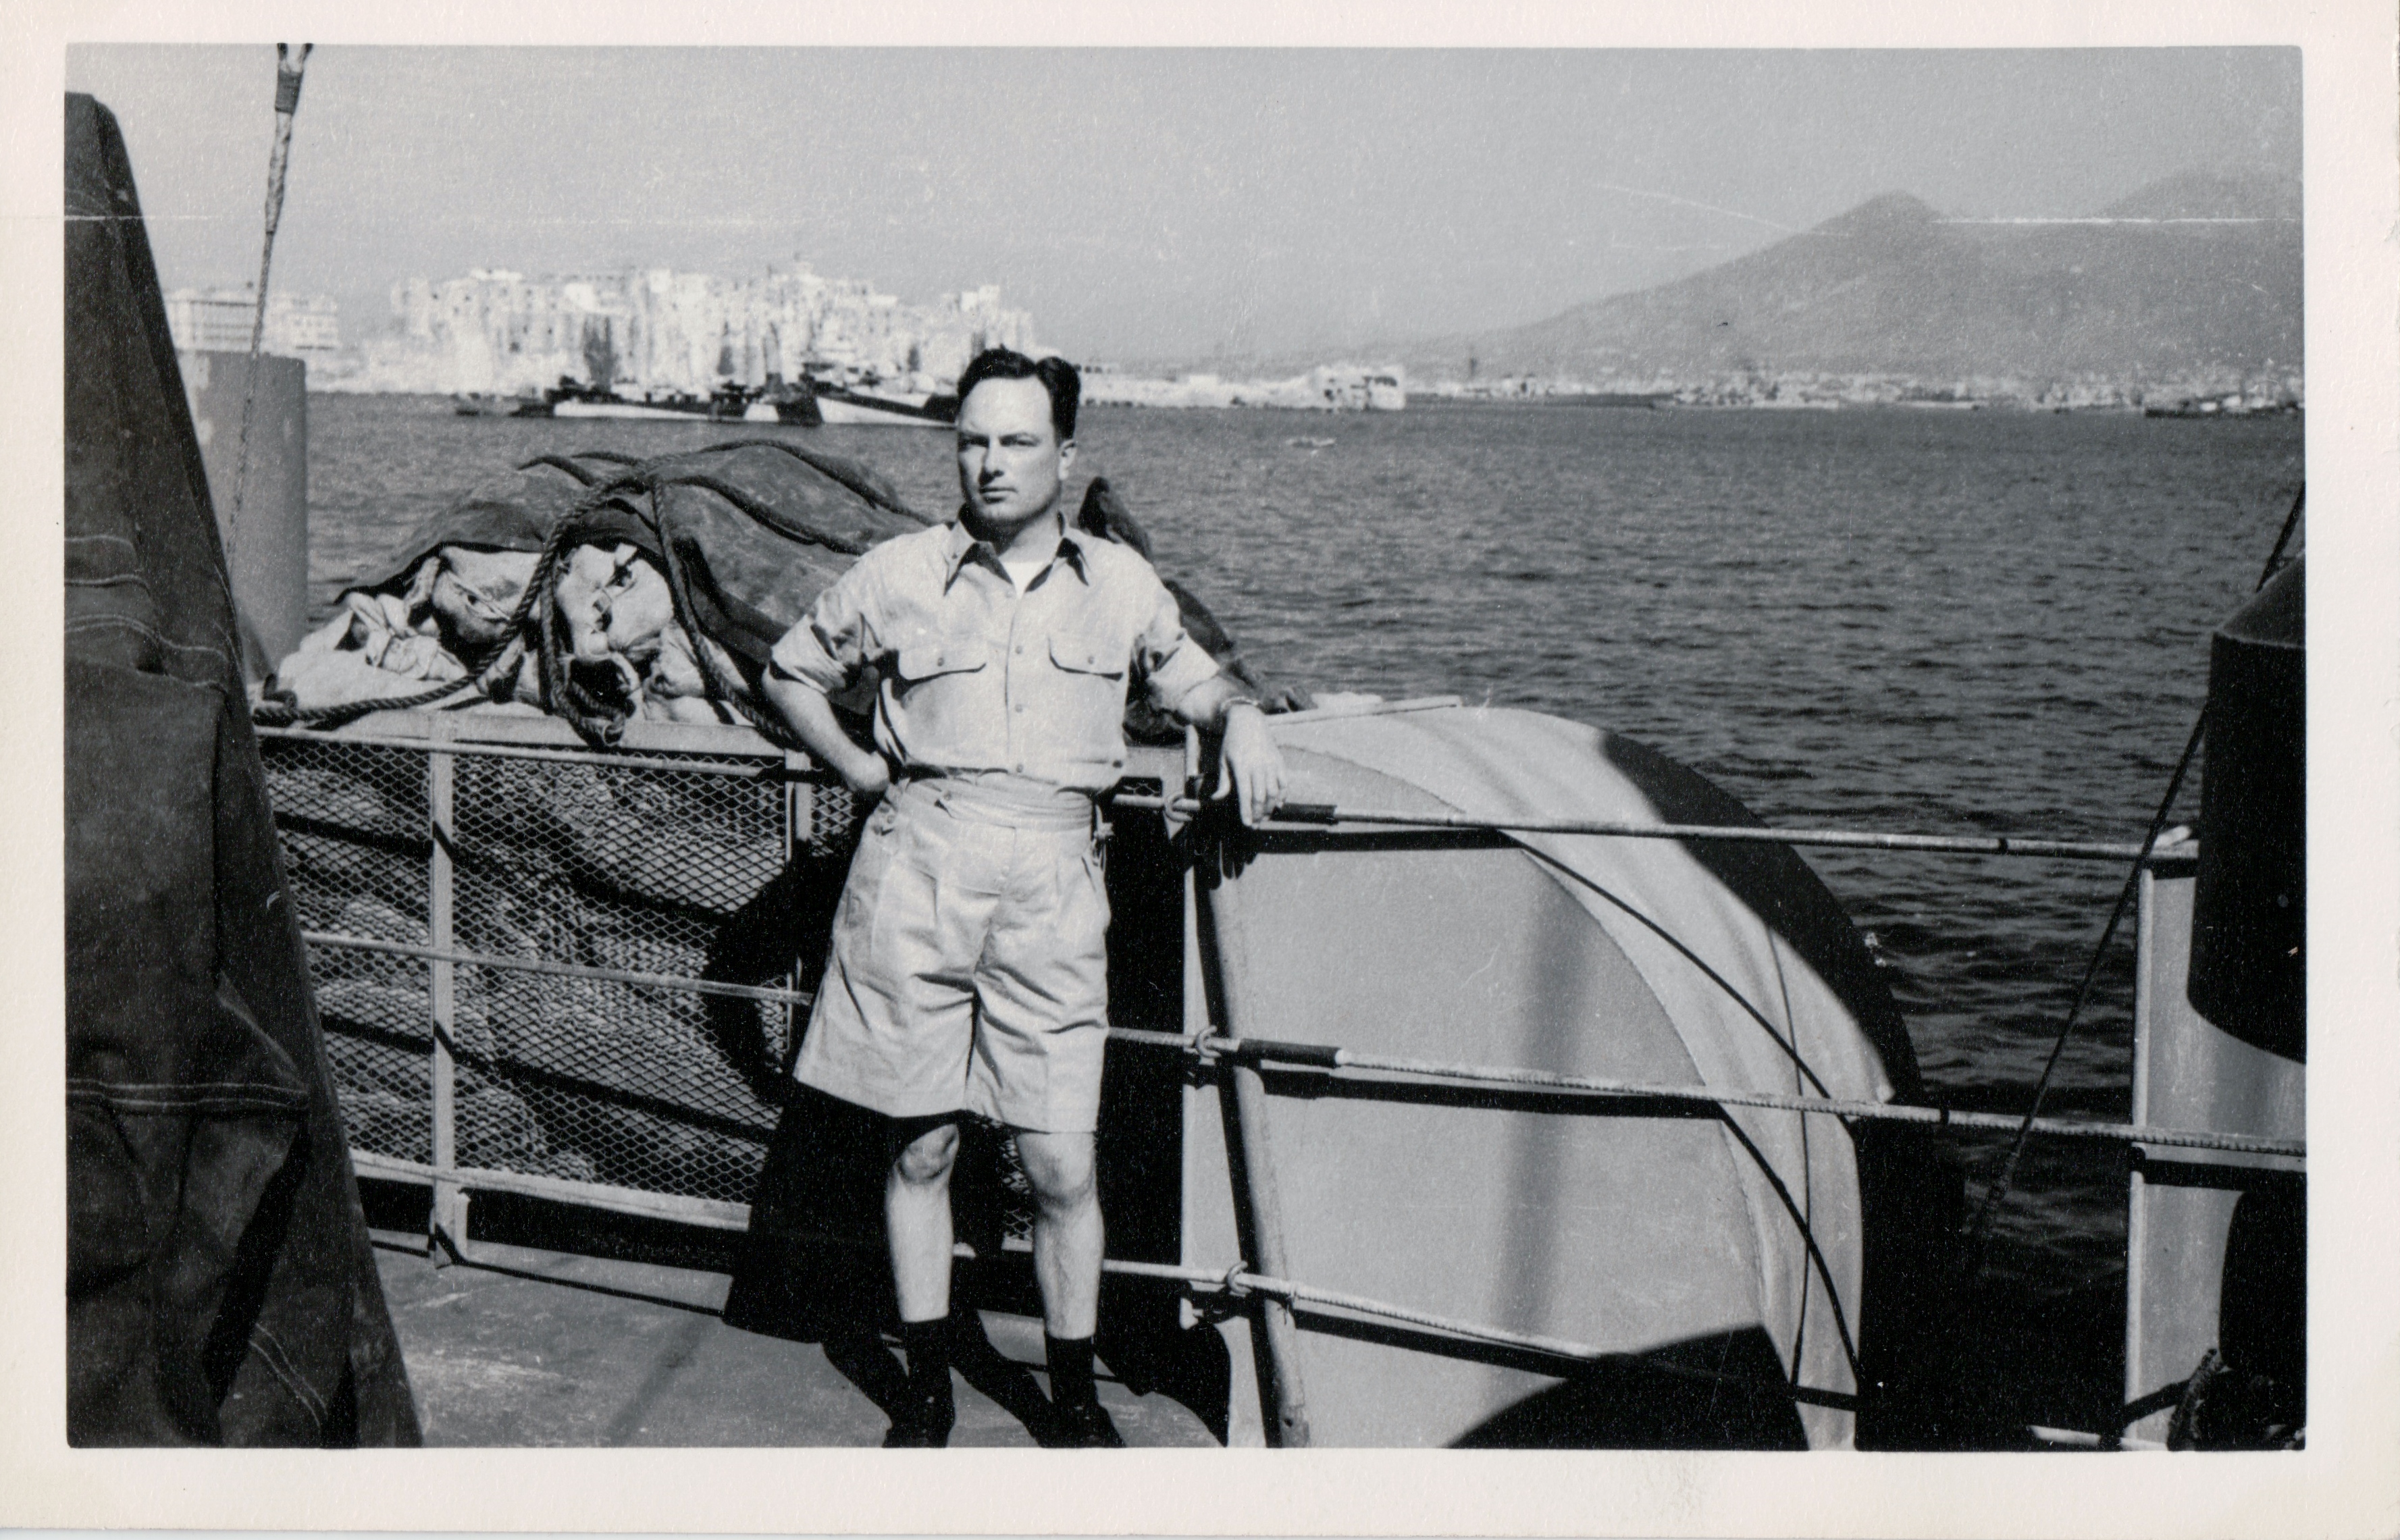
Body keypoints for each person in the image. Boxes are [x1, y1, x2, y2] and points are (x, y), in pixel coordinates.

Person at [762, 347, 1287, 1447]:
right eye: (972, 441)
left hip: (1054, 884)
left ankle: (1073, 1389)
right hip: (919, 870)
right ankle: (924, 1387)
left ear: (1065, 454)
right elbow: (791, 670)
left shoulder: (1119, 583)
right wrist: (860, 772)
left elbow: (1189, 675)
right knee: (921, 1147)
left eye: (1016, 442)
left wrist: (1236, 713)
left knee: (1059, 1159)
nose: (990, 464)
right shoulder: (902, 571)